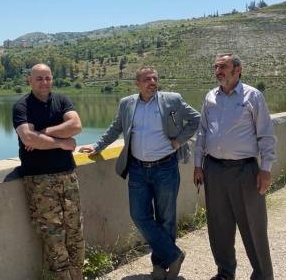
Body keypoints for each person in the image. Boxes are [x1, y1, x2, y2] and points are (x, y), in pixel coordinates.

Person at [79, 67, 200, 280]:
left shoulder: (172, 99)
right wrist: (98, 146)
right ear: (137, 83)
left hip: (165, 168)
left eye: (155, 78)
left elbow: (196, 119)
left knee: (166, 219)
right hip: (137, 169)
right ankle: (174, 255)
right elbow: (116, 127)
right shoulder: (127, 103)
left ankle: (160, 267)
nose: (152, 82)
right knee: (139, 215)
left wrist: (179, 140)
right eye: (147, 79)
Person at [193, 54, 276, 280]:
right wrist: (198, 165)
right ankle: (225, 272)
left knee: (253, 226)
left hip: (244, 170)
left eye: (223, 66)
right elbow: (202, 132)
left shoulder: (253, 96)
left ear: (238, 69)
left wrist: (265, 169)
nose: (218, 71)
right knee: (218, 226)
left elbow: (266, 135)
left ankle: (262, 275)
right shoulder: (210, 96)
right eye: (216, 67)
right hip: (213, 169)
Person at [12, 63, 85, 280]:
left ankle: (78, 276)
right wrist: (62, 143)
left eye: (48, 78)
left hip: (67, 175)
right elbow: (28, 138)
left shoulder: (61, 100)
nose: (44, 82)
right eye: (39, 78)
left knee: (75, 231)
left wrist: (43, 133)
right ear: (30, 80)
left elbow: (76, 125)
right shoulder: (21, 106)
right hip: (39, 180)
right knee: (53, 236)